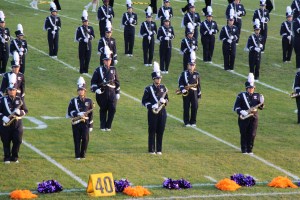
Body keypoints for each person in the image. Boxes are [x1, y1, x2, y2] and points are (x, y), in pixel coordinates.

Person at [233, 73, 264, 154]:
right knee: (244, 133)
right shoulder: (241, 95)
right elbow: (236, 107)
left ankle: (250, 149)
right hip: (244, 116)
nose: (251, 89)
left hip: (254, 116)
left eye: (252, 88)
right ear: (246, 88)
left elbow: (260, 107)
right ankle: (244, 149)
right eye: (250, 88)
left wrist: (262, 103)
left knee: (252, 134)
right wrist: (241, 111)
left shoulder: (257, 95)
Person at [0, 72, 28, 163]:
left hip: (17, 123)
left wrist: (20, 112)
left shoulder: (20, 100)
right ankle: (7, 157)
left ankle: (14, 157)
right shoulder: (2, 100)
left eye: (13, 90)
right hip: (6, 124)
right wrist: (3, 117)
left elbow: (26, 111)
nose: (11, 91)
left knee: (18, 140)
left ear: (16, 90)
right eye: (10, 90)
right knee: (6, 141)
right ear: (7, 90)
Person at [91, 46, 120, 131]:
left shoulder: (113, 69)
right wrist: (96, 89)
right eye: (106, 60)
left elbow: (117, 82)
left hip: (112, 92)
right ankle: (103, 126)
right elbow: (93, 82)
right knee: (103, 109)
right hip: (102, 92)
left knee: (113, 109)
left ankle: (108, 125)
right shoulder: (98, 70)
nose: (108, 62)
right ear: (103, 61)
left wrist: (117, 92)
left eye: (109, 60)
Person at [142, 62, 168, 155]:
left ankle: (159, 149)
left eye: (160, 78)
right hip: (152, 112)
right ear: (153, 79)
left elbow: (167, 99)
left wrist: (164, 101)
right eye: (157, 78)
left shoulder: (164, 88)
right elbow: (144, 101)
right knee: (152, 130)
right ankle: (151, 149)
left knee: (161, 130)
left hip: (162, 112)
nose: (159, 80)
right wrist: (152, 105)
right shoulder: (148, 89)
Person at [67, 77, 94, 160]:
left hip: (85, 122)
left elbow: (91, 114)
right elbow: (69, 112)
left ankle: (83, 155)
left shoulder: (89, 101)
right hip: (76, 122)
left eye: (82, 90)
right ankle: (77, 155)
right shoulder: (73, 100)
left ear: (85, 91)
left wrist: (91, 125)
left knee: (85, 139)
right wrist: (78, 113)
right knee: (77, 139)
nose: (80, 91)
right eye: (79, 90)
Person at [178, 52, 201, 127]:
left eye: (193, 65)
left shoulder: (197, 74)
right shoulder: (184, 73)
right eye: (190, 65)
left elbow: (199, 85)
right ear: (188, 65)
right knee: (186, 106)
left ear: (195, 66)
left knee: (195, 106)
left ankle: (193, 121)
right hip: (186, 91)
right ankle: (186, 121)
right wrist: (182, 89)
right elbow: (180, 82)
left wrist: (199, 94)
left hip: (194, 91)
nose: (191, 66)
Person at [75, 10, 95, 74]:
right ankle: (81, 70)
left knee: (88, 58)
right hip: (82, 45)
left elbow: (93, 36)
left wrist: (90, 37)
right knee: (82, 58)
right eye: (84, 22)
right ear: (82, 22)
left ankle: (86, 70)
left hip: (89, 45)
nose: (86, 22)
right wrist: (83, 39)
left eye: (86, 21)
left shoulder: (91, 28)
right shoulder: (79, 28)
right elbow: (77, 37)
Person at [0, 11, 10, 75]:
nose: (3, 24)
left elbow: (9, 36)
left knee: (5, 58)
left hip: (5, 45)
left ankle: (3, 71)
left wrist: (6, 39)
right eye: (1, 22)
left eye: (3, 22)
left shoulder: (7, 29)